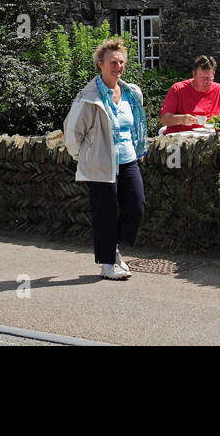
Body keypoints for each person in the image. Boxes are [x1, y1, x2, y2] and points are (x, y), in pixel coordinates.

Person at [64, 36, 147, 281]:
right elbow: (72, 132)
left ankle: (112, 247)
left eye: (121, 62)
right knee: (106, 214)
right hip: (100, 164)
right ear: (100, 64)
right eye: (112, 62)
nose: (118, 66)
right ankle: (108, 263)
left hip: (128, 159)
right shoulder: (89, 97)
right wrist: (86, 158)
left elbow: (136, 126)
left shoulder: (132, 93)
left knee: (136, 207)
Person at [160, 55, 220, 133]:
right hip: (180, 139)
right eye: (202, 78)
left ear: (213, 75)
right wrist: (182, 119)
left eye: (208, 78)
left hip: (210, 139)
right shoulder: (177, 89)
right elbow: (164, 120)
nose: (206, 82)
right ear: (194, 74)